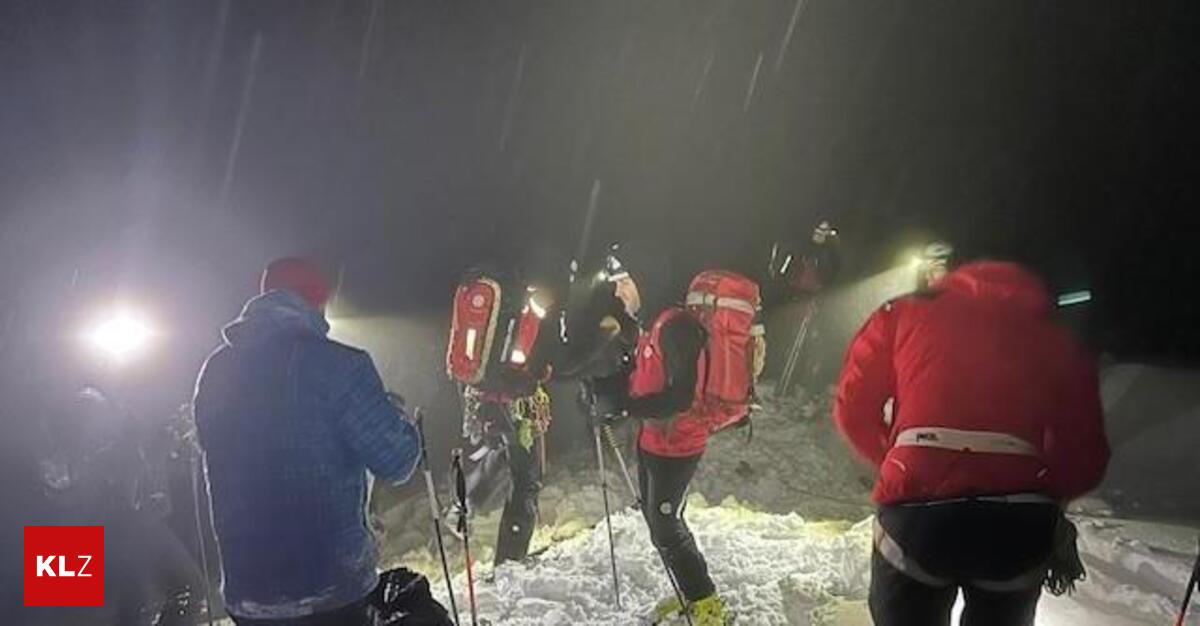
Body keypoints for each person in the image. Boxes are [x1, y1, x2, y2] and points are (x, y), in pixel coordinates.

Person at [834, 260, 1110, 626]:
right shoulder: (1056, 337)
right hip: (1016, 522)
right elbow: (1085, 447)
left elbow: (853, 407)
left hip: (916, 515)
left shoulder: (900, 313)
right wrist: (1051, 492)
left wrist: (899, 460)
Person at [193, 257, 422, 626]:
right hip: (328, 591)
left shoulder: (216, 370)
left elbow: (212, 446)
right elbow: (397, 461)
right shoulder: (340, 365)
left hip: (248, 593)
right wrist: (399, 419)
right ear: (317, 301)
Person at [583, 244, 760, 626]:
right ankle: (690, 592)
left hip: (679, 444)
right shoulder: (653, 323)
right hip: (653, 440)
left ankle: (706, 599)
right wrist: (609, 389)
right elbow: (646, 379)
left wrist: (627, 408)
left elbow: (679, 398)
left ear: (645, 280)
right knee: (655, 519)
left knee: (666, 523)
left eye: (625, 282)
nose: (619, 292)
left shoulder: (677, 327)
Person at [445, 266, 556, 566]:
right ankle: (511, 559)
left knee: (502, 454)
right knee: (526, 480)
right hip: (515, 405)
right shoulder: (530, 309)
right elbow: (534, 362)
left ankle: (463, 505)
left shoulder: (504, 300)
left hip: (484, 399)